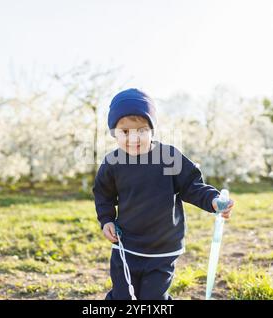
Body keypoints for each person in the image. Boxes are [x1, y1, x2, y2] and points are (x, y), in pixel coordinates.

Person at [92, 88, 234, 300]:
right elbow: (103, 195)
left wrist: (213, 200)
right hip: (127, 244)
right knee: (122, 296)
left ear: (152, 129)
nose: (134, 138)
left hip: (163, 247)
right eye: (125, 132)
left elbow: (192, 186)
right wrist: (106, 220)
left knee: (153, 298)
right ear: (114, 132)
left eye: (141, 130)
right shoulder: (113, 163)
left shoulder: (168, 157)